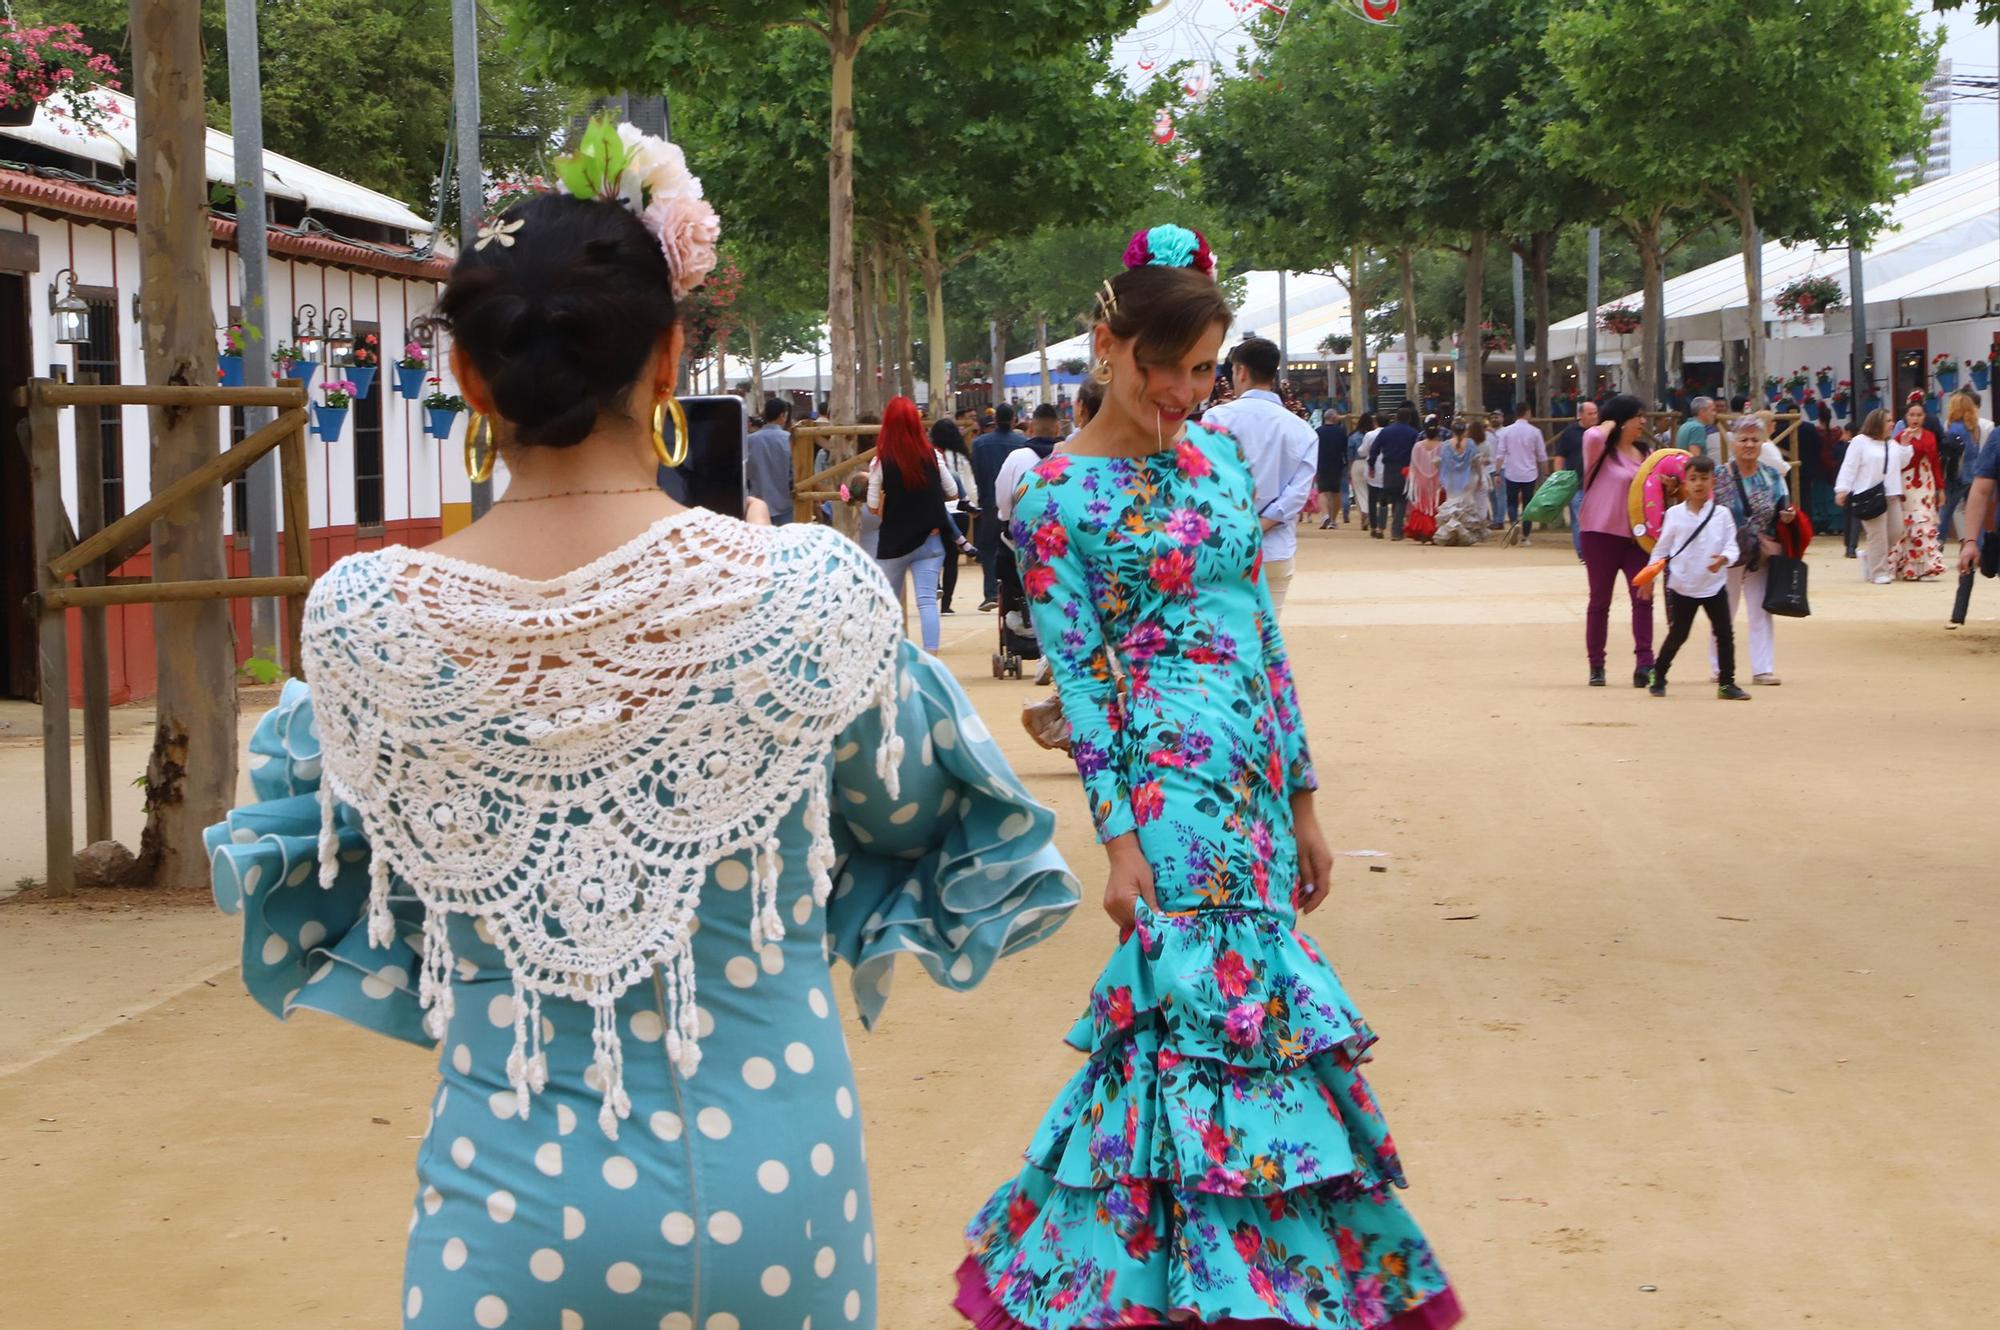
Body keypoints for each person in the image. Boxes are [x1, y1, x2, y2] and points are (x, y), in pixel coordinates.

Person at [208, 133, 1079, 1330]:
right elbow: (913, 818)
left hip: (505, 1216)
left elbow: (343, 873)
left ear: (468, 378)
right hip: (776, 1192)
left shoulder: (367, 625)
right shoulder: (806, 596)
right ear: (670, 358)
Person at [956, 223, 1461, 1330]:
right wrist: (1120, 841)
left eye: (1204, 371)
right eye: (1171, 369)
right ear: (1108, 346)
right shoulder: (1050, 499)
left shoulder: (1221, 460)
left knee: (1253, 1036)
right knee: (1195, 1028)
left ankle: (1224, 1289)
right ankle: (1186, 1295)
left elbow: (1262, 642)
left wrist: (1307, 801)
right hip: (1169, 800)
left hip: (1251, 783)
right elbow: (1082, 685)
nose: (1189, 392)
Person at [1202, 336, 1320, 610]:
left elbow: (1206, 482)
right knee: (1268, 639)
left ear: (1241, 371)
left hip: (1224, 546)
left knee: (1224, 639)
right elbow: (1296, 496)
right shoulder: (1302, 430)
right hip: (1275, 551)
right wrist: (1258, 525)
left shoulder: (1216, 419)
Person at [868, 396, 975, 653]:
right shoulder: (932, 457)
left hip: (894, 543)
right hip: (930, 540)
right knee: (927, 601)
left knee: (888, 602)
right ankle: (932, 656)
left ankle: (891, 654)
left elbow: (872, 505)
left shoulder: (881, 461)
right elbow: (952, 491)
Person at [1643, 454, 1750, 700]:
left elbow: (1732, 547)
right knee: (1679, 633)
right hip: (1683, 585)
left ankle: (1727, 683)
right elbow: (1661, 549)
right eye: (1693, 479)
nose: (1698, 484)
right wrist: (1650, 575)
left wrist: (1724, 559)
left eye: (1704, 478)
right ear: (1684, 483)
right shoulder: (1674, 514)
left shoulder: (1722, 514)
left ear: (1713, 481)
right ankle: (1658, 674)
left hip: (1714, 585)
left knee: (1724, 633)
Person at [1712, 416, 1797, 686]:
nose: (1749, 444)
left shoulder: (1771, 475)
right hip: (1728, 553)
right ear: (1733, 443)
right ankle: (1718, 666)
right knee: (1724, 609)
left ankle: (1763, 668)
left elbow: (1785, 505)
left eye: (1754, 440)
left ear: (1762, 443)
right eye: (1743, 439)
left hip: (1760, 552)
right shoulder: (1719, 475)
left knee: (1761, 609)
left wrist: (1787, 516)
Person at [1579, 394, 1656, 688]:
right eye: (1637, 416)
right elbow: (1594, 434)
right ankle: (1596, 665)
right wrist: (1611, 419)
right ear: (1623, 420)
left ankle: (1645, 663)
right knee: (1600, 600)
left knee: (1643, 598)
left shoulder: (1646, 453)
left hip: (1637, 538)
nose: (1643, 422)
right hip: (1600, 533)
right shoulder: (1600, 449)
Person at [1835, 408, 1911, 585]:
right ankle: (1879, 572)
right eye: (1888, 421)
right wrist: (1842, 489)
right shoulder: (1860, 442)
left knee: (1896, 531)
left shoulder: (1891, 443)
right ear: (1877, 423)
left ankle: (1870, 557)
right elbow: (1849, 466)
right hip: (1868, 495)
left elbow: (1902, 462)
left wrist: (1906, 446)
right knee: (1877, 536)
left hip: (1890, 493)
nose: (1892, 424)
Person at [971, 403, 1031, 609]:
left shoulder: (979, 444)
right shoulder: (1023, 443)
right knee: (1016, 547)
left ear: (995, 420)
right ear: (1014, 420)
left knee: (988, 548)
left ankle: (990, 593)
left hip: (990, 503)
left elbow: (976, 473)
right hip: (1018, 505)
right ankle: (1018, 591)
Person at [1891, 401, 1947, 581]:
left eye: (1919, 415)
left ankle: (1926, 567)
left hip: (1926, 482)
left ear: (1924, 417)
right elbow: (1896, 463)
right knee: (1909, 523)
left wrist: (1940, 488)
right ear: (1906, 417)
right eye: (1912, 415)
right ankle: (1908, 568)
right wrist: (1905, 443)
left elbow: (1935, 464)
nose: (1915, 418)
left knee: (1924, 521)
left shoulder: (1930, 436)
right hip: (1907, 483)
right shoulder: (1900, 437)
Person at [932, 416, 978, 615]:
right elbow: (970, 485)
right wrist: (973, 504)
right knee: (951, 559)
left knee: (933, 554)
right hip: (959, 512)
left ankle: (937, 586)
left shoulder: (932, 455)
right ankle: (947, 605)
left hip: (936, 512)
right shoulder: (962, 457)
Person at [1493, 402, 1549, 543]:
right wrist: (1547, 473)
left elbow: (1500, 454)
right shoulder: (1535, 432)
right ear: (1527, 412)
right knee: (1528, 504)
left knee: (1511, 502)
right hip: (1530, 473)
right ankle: (1525, 536)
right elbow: (1542, 455)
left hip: (1512, 472)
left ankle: (1513, 522)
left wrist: (1497, 473)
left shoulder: (1506, 431)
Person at [1552, 400, 1598, 560]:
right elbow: (1559, 456)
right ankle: (1583, 553)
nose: (1594, 417)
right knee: (1579, 520)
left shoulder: (1601, 432)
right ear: (1581, 415)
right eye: (1590, 413)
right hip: (1576, 484)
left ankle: (1594, 550)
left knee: (1595, 519)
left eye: (1595, 413)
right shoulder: (1570, 433)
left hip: (1597, 485)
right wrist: (1559, 478)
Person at [1367, 404, 1420, 539]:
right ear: (1409, 418)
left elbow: (1375, 449)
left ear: (1396, 417)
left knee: (1385, 497)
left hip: (1389, 468)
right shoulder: (1413, 433)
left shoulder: (1386, 431)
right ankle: (1396, 530)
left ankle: (1380, 527)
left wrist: (1372, 464)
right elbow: (1417, 452)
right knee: (1401, 498)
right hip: (1405, 468)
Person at [745, 394, 796, 524]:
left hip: (757, 503)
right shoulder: (789, 439)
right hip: (785, 502)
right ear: (782, 415)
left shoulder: (750, 440)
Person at [1406, 422, 1444, 543]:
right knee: (1435, 506)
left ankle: (1423, 531)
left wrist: (1414, 480)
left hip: (1421, 481)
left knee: (1422, 506)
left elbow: (1414, 465)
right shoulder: (1442, 446)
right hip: (1437, 481)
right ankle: (1434, 531)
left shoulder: (1417, 446)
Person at [1316, 407, 1350, 528]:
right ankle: (1333, 520)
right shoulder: (1341, 432)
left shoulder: (1318, 431)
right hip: (1337, 464)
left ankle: (1325, 515)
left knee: (1322, 491)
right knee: (1336, 492)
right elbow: (1345, 450)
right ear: (1334, 418)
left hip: (1321, 464)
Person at [1351, 411, 1380, 534]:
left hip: (1357, 464)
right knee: (1371, 491)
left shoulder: (1353, 436)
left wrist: (1348, 468)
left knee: (1359, 491)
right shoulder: (1375, 435)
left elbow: (1350, 454)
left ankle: (1364, 511)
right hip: (1372, 463)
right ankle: (1370, 511)